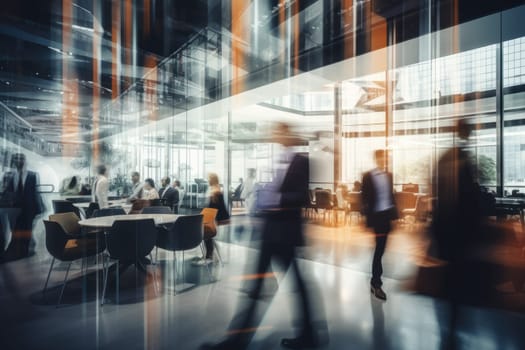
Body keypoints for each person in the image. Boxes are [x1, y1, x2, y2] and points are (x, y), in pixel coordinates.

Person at [201, 122, 321, 350]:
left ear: (287, 133)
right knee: (261, 286)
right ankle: (241, 340)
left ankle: (239, 341)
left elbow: (300, 197)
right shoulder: (279, 160)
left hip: (284, 233)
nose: (272, 134)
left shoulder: (301, 161)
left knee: (288, 285)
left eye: (277, 130)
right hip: (271, 231)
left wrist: (273, 201)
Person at [431, 119, 481, 350]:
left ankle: (449, 330)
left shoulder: (446, 158)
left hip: (449, 231)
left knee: (451, 278)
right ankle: (452, 329)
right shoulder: (463, 160)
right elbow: (470, 201)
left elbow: (437, 196)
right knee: (455, 279)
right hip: (458, 232)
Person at [361, 149, 398, 301]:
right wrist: (365, 219)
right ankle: (376, 284)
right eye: (382, 158)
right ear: (376, 159)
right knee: (379, 250)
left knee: (381, 249)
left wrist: (396, 218)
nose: (384, 160)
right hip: (376, 219)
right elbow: (364, 198)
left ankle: (375, 281)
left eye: (386, 158)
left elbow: (391, 197)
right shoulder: (368, 176)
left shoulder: (389, 176)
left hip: (387, 218)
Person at [1, 153, 45, 261]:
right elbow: (7, 190)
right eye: (16, 158)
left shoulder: (32, 175)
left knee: (27, 229)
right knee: (14, 229)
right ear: (13, 160)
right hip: (14, 208)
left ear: (24, 161)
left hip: (29, 207)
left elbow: (36, 192)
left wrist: (39, 208)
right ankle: (18, 250)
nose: (18, 160)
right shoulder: (10, 175)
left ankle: (24, 251)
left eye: (21, 158)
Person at [194, 172, 229, 265]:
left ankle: (209, 257)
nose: (207, 180)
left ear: (212, 180)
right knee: (208, 238)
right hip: (212, 219)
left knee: (208, 237)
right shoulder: (214, 190)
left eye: (208, 179)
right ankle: (211, 256)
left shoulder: (215, 192)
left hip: (212, 219)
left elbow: (215, 208)